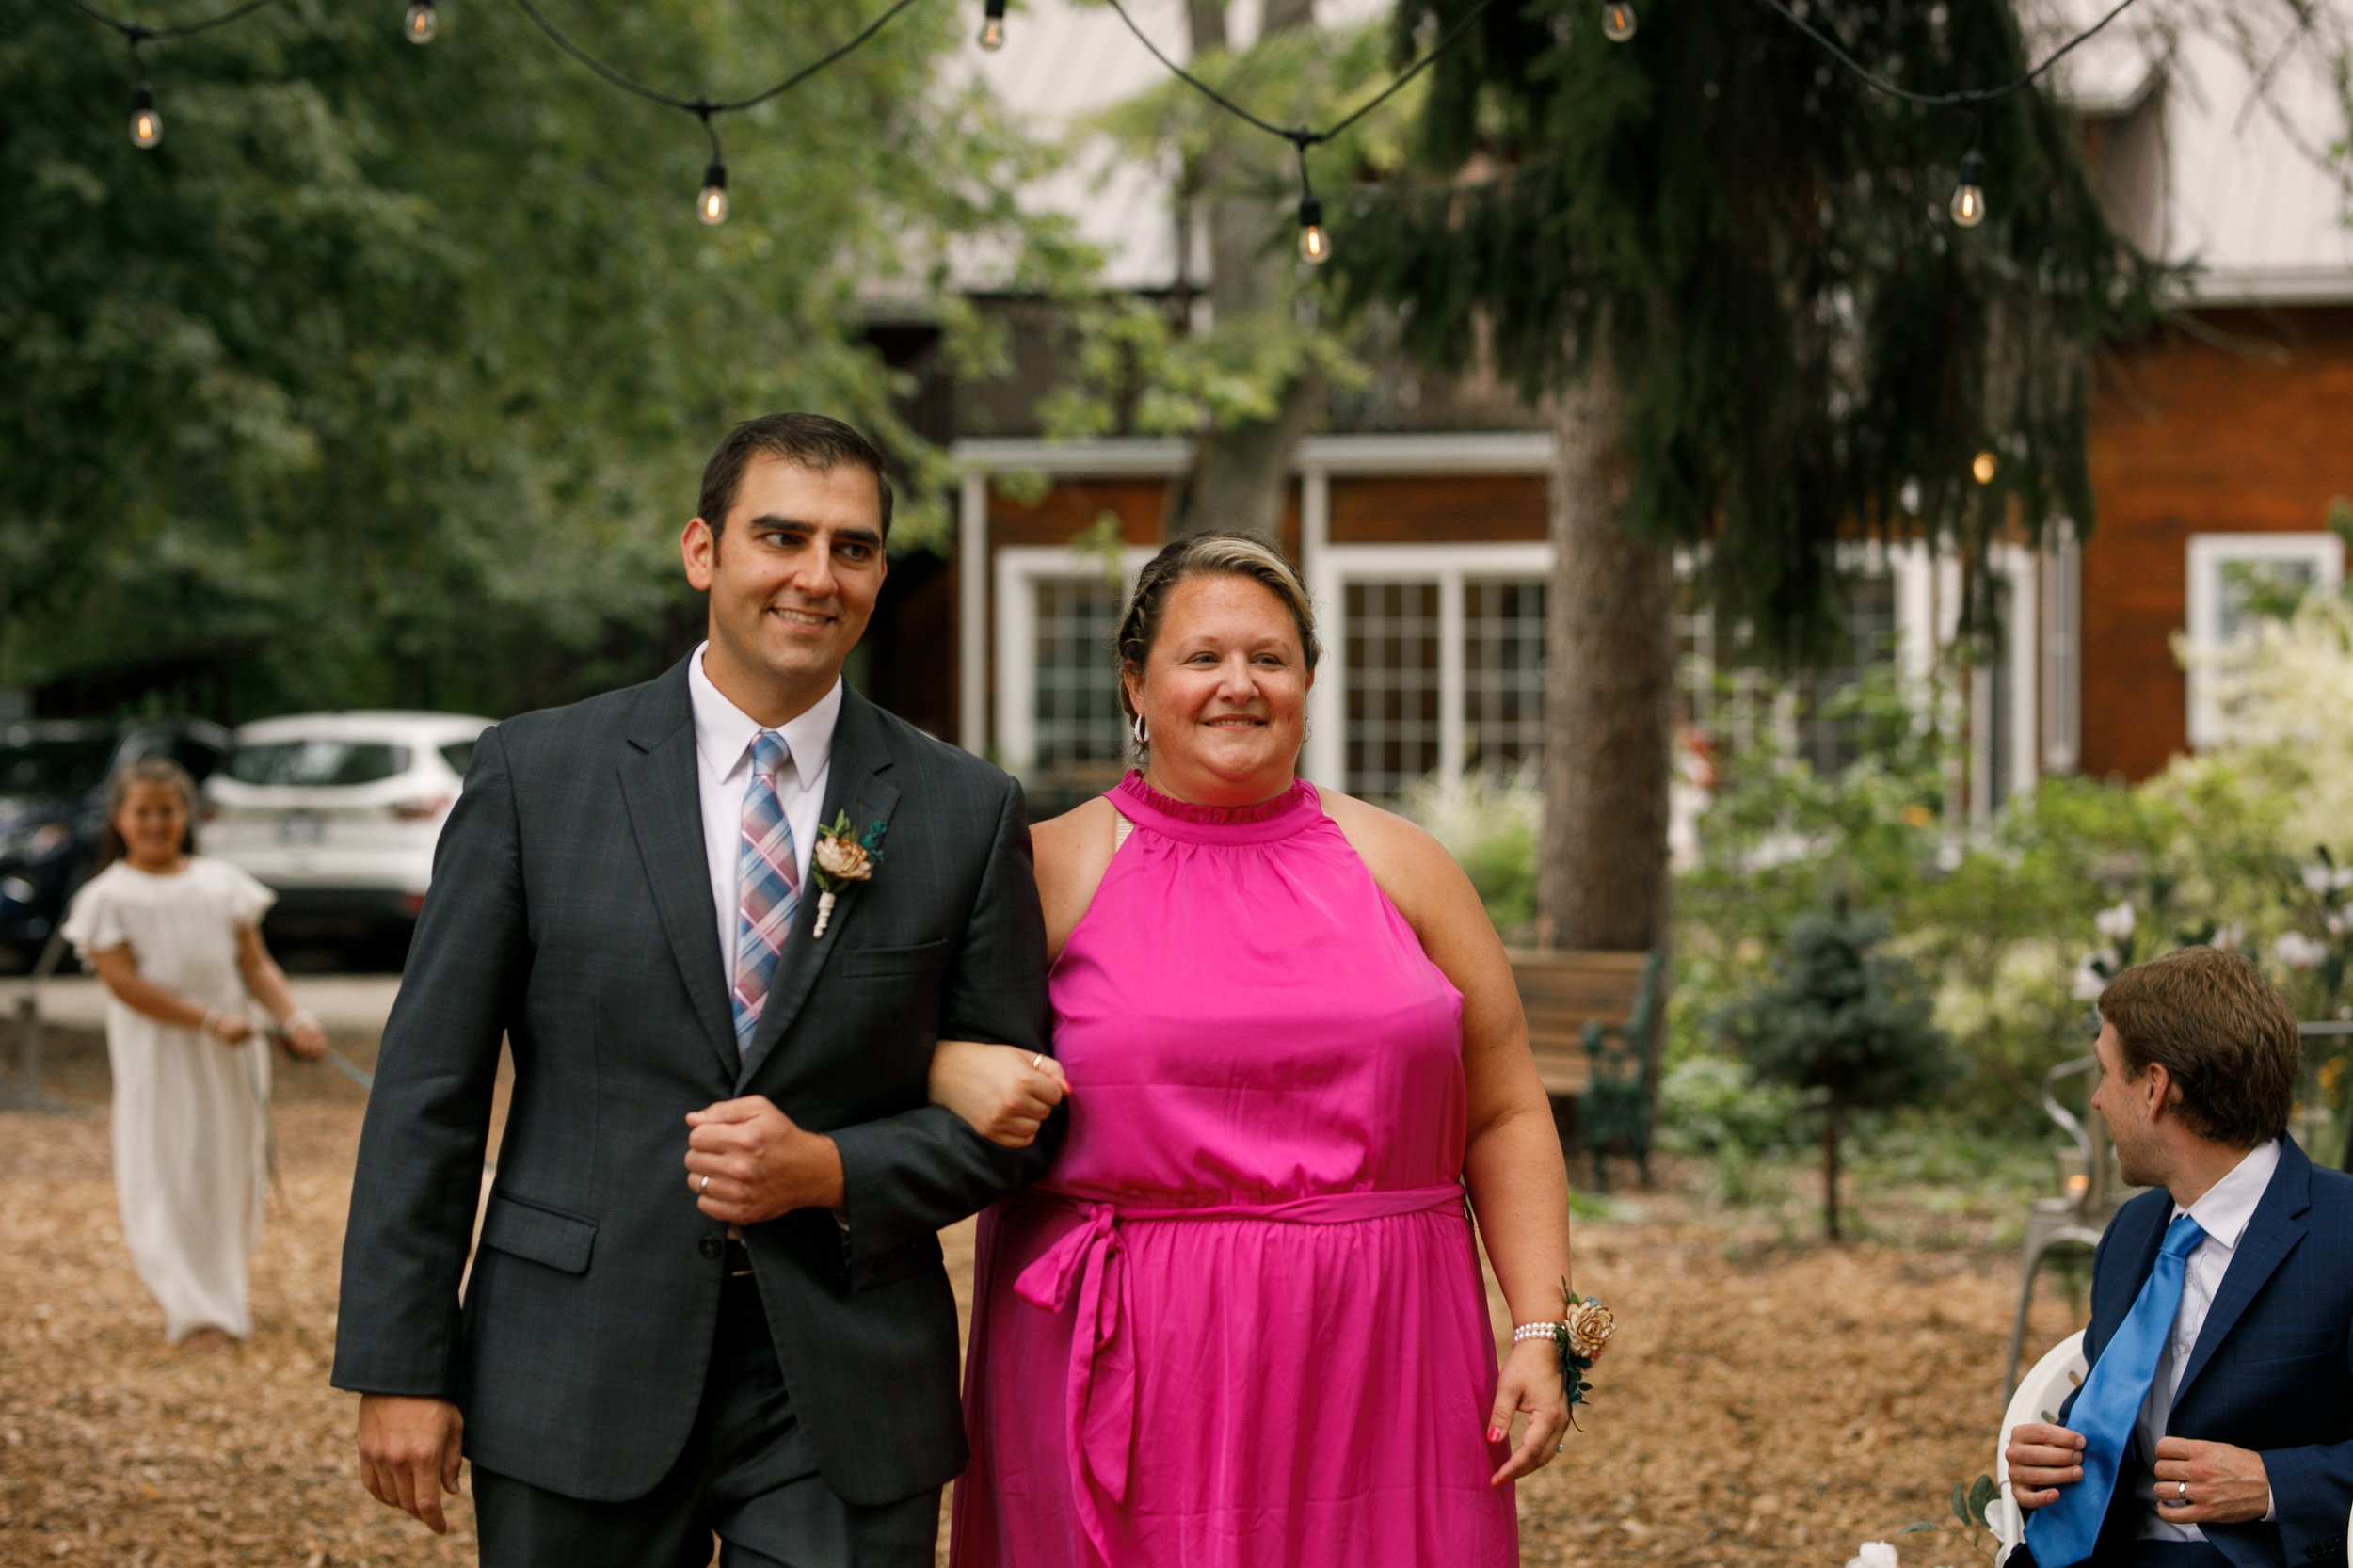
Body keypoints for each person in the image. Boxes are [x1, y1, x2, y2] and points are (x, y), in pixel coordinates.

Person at [331, 413, 1061, 1567]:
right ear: (702, 550)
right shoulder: (536, 773)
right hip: (572, 1356)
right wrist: (399, 1362)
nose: (816, 577)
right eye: (781, 536)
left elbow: (1011, 1121)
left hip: (843, 1374)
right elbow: (430, 1084)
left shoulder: (963, 810)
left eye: (854, 548)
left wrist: (830, 1169)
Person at [933, 533, 1584, 1568]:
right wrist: (937, 1065)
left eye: (1269, 659)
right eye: (1202, 658)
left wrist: (1542, 1329)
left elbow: (1504, 1110)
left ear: (1308, 682)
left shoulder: (1405, 863)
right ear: (1134, 685)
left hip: (1387, 1355)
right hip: (1133, 1365)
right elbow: (904, 1055)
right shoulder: (1047, 868)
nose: (1238, 684)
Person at [2005, 945, 2353, 1568]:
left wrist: (2274, 1484)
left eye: (2107, 1074)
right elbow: (2106, 1415)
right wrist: (2051, 1459)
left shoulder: (2344, 1231)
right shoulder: (2133, 1230)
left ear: (2155, 1089)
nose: (2098, 1100)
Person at [60, 756, 329, 1346]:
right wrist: (207, 1020)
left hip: (231, 1053)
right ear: (120, 819)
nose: (156, 823)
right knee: (172, 1167)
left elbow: (254, 964)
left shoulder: (221, 883)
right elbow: (124, 985)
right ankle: (190, 1307)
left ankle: (224, 1294)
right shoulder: (107, 896)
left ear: (186, 815)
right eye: (143, 812)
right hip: (161, 1054)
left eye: (167, 810)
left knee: (227, 1166)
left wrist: (294, 1018)